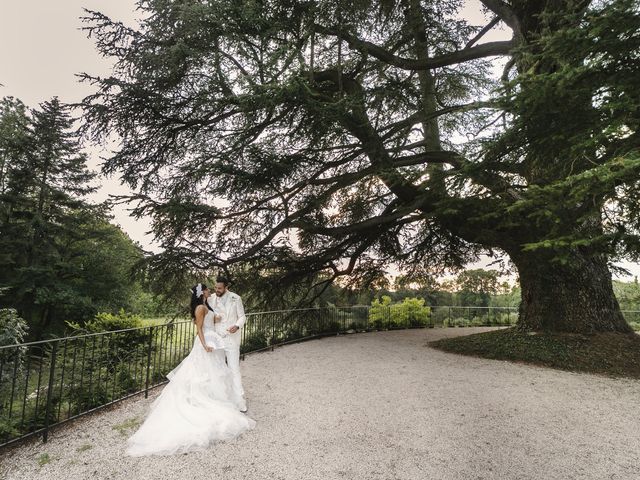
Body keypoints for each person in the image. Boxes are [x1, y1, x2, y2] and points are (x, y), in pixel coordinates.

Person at [125, 283, 255, 456]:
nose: (210, 291)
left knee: (212, 373)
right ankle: (202, 401)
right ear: (203, 293)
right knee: (202, 373)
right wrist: (205, 344)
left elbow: (214, 320)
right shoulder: (201, 307)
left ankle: (212, 397)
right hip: (205, 344)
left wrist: (225, 321)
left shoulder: (207, 305)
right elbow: (199, 328)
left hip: (215, 341)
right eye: (208, 289)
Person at [207, 276, 248, 412]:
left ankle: (240, 400)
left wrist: (237, 325)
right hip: (217, 339)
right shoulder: (210, 299)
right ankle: (221, 397)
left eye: (219, 288)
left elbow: (242, 316)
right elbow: (204, 314)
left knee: (234, 368)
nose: (217, 290)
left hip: (231, 338)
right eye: (215, 288)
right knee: (218, 368)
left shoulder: (236, 298)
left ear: (226, 287)